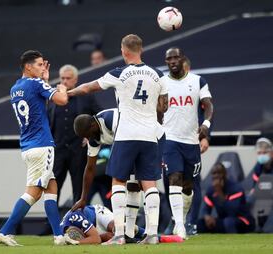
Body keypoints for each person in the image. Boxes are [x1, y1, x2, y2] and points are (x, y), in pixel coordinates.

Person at [68, 34, 168, 245]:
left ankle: (120, 235)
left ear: (124, 51)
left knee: (118, 181)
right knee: (149, 184)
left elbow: (88, 87)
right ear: (141, 49)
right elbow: (164, 107)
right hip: (150, 135)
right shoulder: (158, 74)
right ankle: (152, 234)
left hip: (127, 133)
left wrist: (68, 92)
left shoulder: (119, 73)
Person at [0, 50, 74, 247]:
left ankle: (58, 236)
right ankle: (4, 231)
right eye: (39, 65)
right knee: (33, 193)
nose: (42, 68)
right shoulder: (35, 83)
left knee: (51, 187)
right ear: (28, 67)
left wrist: (44, 80)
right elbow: (62, 101)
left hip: (28, 146)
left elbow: (39, 106)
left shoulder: (15, 88)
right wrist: (61, 88)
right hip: (42, 145)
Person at [161, 47, 214, 239]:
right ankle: (180, 225)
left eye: (176, 57)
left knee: (188, 186)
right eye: (169, 59)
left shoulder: (197, 80)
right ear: (166, 62)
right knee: (173, 178)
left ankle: (183, 219)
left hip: (191, 140)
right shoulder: (161, 82)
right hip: (169, 139)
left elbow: (208, 104)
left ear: (182, 59)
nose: (173, 61)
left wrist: (206, 125)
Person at [48, 64, 101, 204]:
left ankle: (78, 221)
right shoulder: (53, 97)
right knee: (53, 188)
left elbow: (100, 115)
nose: (65, 81)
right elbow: (46, 121)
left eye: (68, 78)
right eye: (62, 78)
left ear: (76, 80)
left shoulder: (86, 97)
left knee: (79, 188)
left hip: (78, 150)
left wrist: (92, 136)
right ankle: (51, 223)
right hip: (57, 150)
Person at [60, 204, 183, 244]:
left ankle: (160, 238)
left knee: (118, 228)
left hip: (98, 215)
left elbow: (96, 238)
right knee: (113, 239)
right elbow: (95, 238)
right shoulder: (62, 231)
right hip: (92, 229)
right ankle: (137, 242)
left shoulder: (74, 217)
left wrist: (78, 243)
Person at [197, 163, 255, 233]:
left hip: (243, 221)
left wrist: (219, 192)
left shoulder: (236, 188)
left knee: (228, 222)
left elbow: (232, 212)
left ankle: (233, 242)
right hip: (224, 220)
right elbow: (205, 208)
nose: (216, 176)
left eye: (219, 173)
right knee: (200, 223)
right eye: (214, 173)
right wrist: (207, 217)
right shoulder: (211, 190)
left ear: (225, 174)